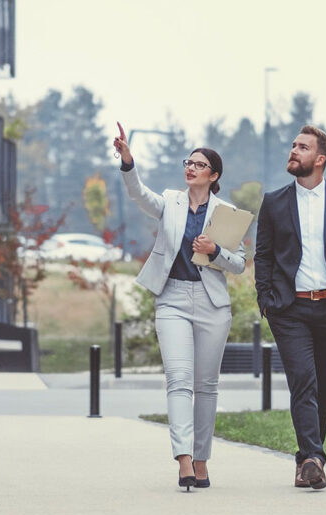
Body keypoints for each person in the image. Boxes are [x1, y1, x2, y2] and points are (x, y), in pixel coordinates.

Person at [113, 123, 246, 491]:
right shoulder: (170, 201)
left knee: (205, 386)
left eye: (199, 165)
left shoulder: (227, 214)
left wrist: (214, 251)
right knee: (178, 380)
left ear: (213, 175)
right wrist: (128, 162)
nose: (190, 168)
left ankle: (202, 461)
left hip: (211, 304)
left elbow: (239, 264)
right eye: (188, 162)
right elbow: (139, 195)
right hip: (171, 298)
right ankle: (184, 460)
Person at [254, 125, 326, 491]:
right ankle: (315, 459)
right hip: (289, 309)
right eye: (293, 145)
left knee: (323, 384)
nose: (293, 151)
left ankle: (306, 461)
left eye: (302, 147)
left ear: (320, 159)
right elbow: (264, 255)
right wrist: (267, 301)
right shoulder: (274, 202)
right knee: (303, 380)